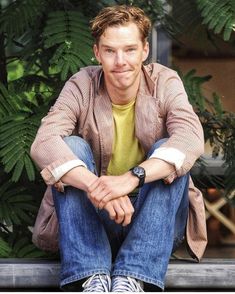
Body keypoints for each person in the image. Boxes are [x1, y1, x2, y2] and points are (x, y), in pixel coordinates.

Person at [30, 5, 207, 292]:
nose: (120, 61)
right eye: (110, 50)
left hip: (155, 223)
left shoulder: (165, 81)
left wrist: (130, 179)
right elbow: (44, 141)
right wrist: (98, 187)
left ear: (145, 50)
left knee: (168, 149)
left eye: (129, 49)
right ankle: (92, 276)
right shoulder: (82, 84)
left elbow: (189, 138)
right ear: (97, 53)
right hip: (94, 220)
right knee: (70, 146)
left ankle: (133, 277)